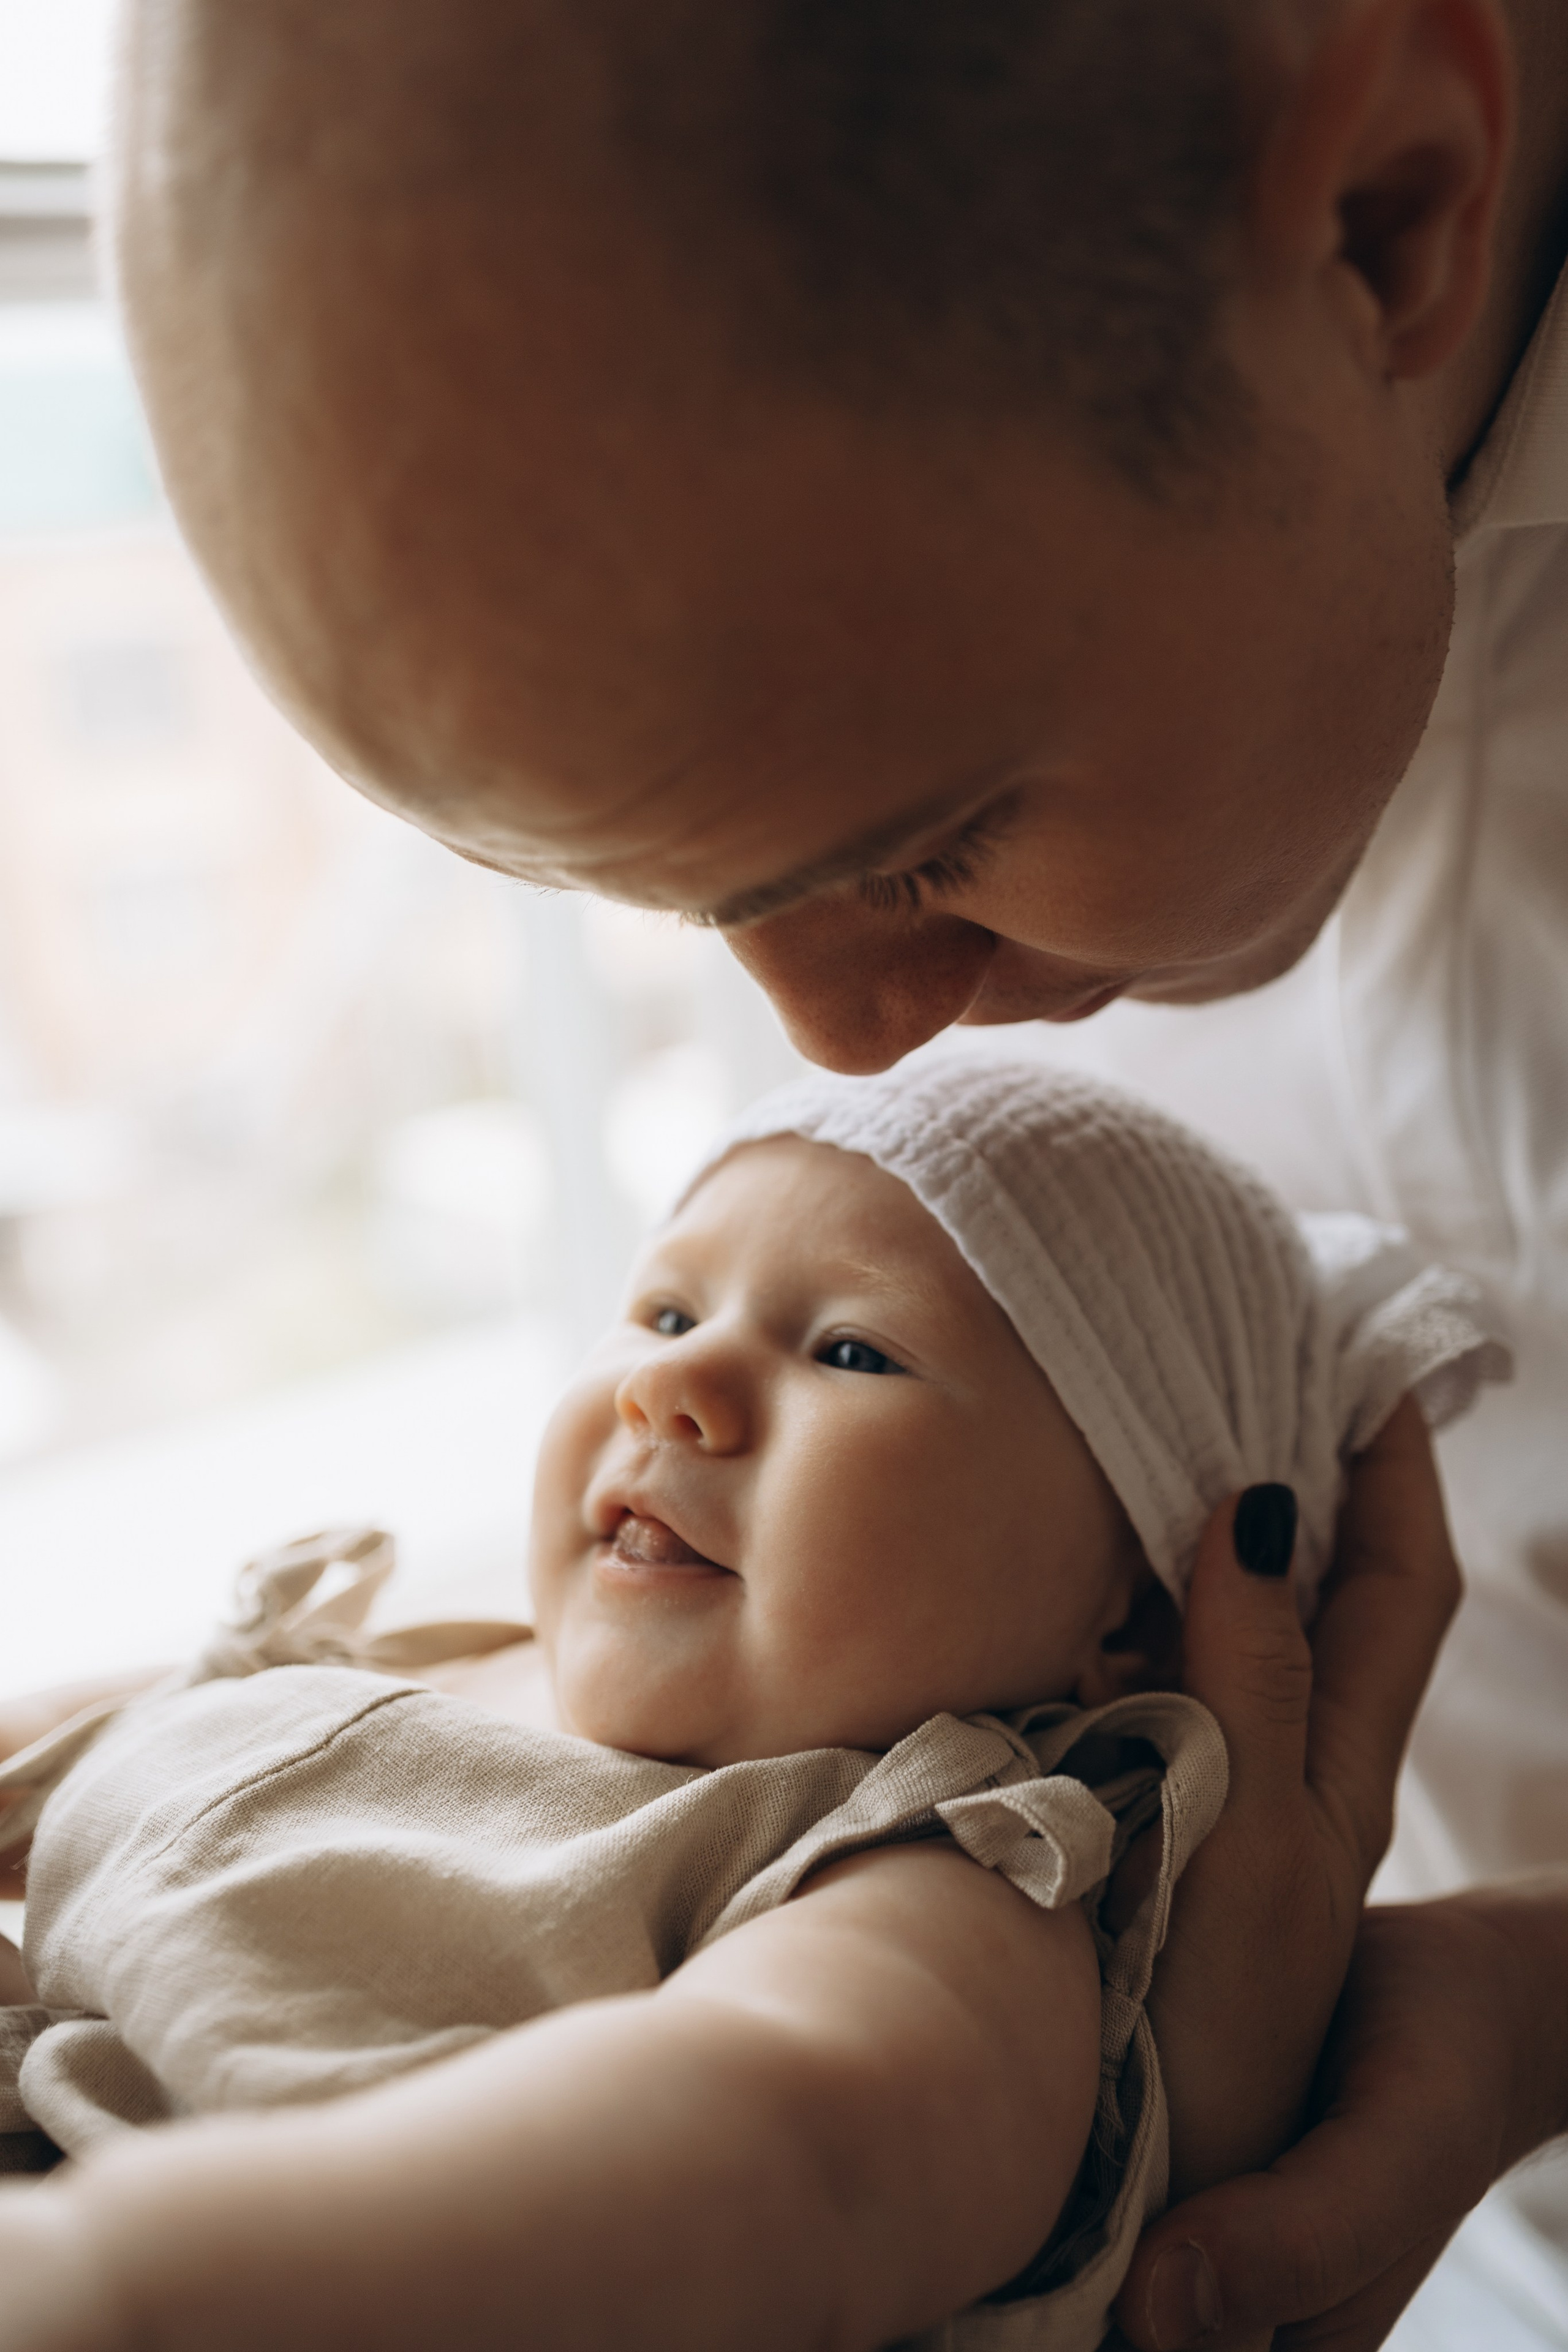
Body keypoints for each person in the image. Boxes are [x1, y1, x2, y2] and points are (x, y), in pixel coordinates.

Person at [99, 1, 1568, 2343]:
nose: (847, 1041)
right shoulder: (902, 548)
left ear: (1388, 222)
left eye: (928, 843)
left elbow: (802, 2132)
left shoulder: (930, 1891)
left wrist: (1518, 2007)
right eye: (679, 898)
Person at [0, 1055, 1494, 2349]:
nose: (673, 1386)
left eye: (850, 1350)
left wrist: (122, 2282)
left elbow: (787, 2150)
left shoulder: (928, 1871)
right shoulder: (395, 1661)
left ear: (1132, 1616)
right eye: (662, 1311)